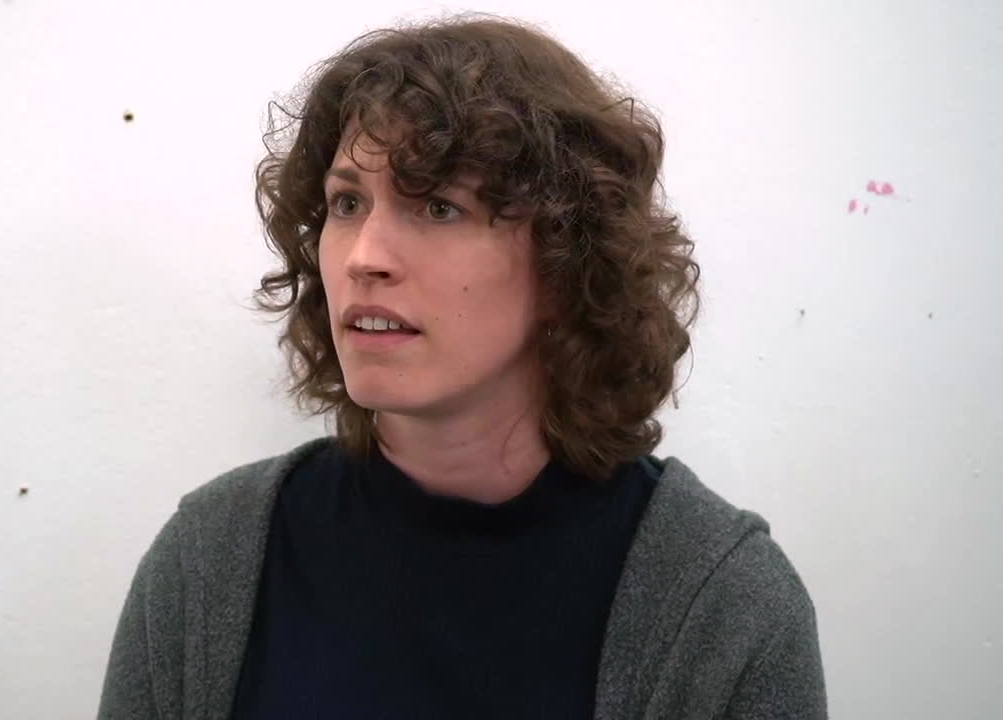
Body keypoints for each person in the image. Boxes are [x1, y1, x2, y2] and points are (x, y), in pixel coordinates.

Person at [98, 13, 827, 720]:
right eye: (347, 202)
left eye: (438, 207)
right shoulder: (210, 560)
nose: (363, 257)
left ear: (566, 259)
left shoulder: (722, 605)